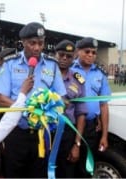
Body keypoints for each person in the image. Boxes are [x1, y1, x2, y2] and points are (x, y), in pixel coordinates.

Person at [0, 22, 67, 178]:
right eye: (32, 43)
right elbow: (1, 100)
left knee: (39, 174)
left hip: (42, 135)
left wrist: (49, 109)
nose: (37, 48)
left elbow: (61, 97)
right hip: (16, 133)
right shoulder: (10, 63)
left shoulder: (52, 65)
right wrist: (29, 109)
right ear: (23, 43)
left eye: (41, 43)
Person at [71, 37, 111, 177]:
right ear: (78, 51)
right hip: (71, 125)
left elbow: (104, 105)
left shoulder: (100, 74)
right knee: (68, 164)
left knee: (86, 166)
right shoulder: (69, 69)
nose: (90, 55)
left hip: (91, 128)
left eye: (93, 52)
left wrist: (105, 135)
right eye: (87, 51)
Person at [54, 39, 87, 178]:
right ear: (55, 54)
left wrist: (77, 144)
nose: (64, 59)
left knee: (66, 172)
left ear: (74, 57)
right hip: (45, 130)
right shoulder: (45, 75)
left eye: (68, 56)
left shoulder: (78, 80)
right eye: (61, 55)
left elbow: (81, 114)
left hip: (67, 132)